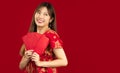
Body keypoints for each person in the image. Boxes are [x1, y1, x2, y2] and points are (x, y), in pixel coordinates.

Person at [19, 2, 68, 73]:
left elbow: (64, 61)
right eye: (38, 12)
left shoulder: (52, 35)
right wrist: (26, 58)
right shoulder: (31, 36)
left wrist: (40, 63)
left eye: (45, 14)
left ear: (51, 19)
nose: (40, 16)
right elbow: (21, 66)